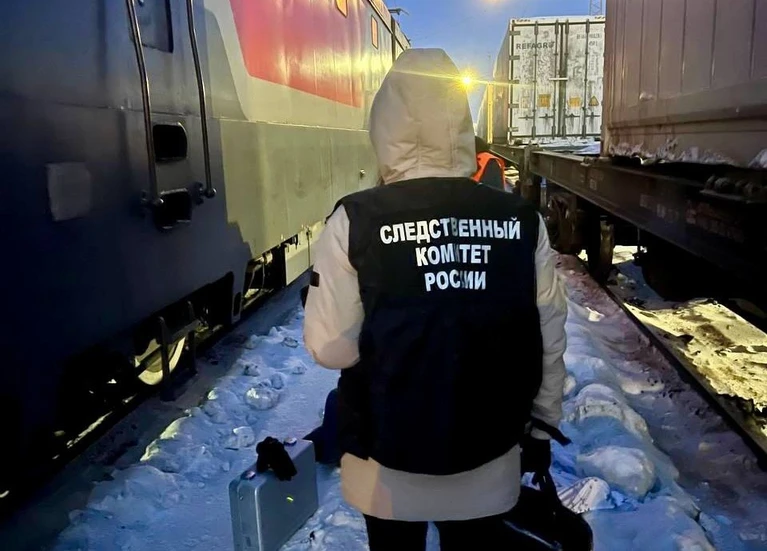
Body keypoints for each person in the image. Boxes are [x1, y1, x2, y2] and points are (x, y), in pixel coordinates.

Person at [303, 48, 567, 550]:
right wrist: (542, 427)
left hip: (385, 464)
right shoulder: (520, 220)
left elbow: (331, 349)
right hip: (488, 458)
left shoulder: (356, 219)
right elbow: (548, 337)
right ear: (461, 122)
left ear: (384, 123)